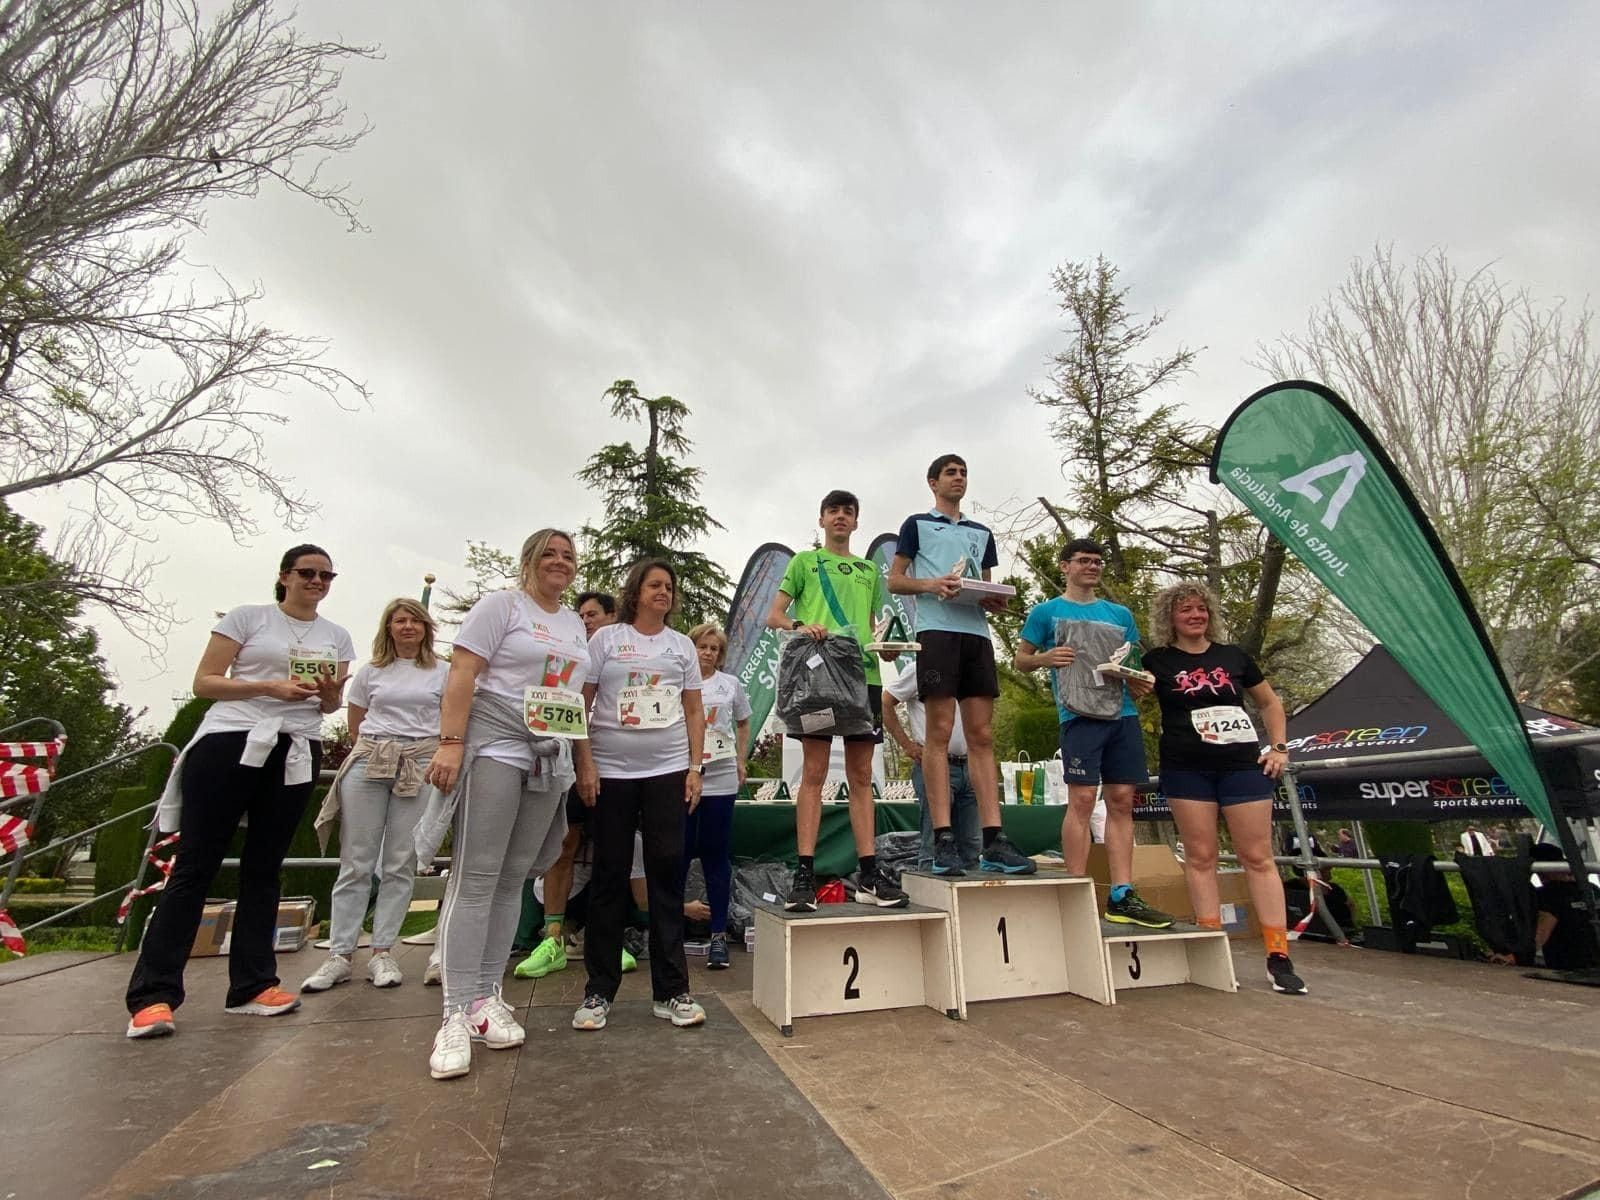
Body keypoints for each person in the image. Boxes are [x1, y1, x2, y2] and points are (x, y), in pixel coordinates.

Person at [125, 545, 354, 1039]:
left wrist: (329, 694)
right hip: (233, 739)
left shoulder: (336, 635)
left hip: (295, 747)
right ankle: (154, 994)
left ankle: (252, 985)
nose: (317, 581)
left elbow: (333, 704)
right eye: (308, 573)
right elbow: (205, 682)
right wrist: (269, 688)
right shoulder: (248, 618)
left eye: (326, 575)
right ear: (285, 576)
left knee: (264, 868)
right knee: (196, 865)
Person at [423, 529, 595, 1080]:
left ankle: (484, 998)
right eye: (550, 553)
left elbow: (571, 695)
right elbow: (463, 673)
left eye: (568, 556)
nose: (560, 562)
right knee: (476, 877)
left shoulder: (573, 623)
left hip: (549, 752)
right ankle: (452, 1012)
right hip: (496, 742)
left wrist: (577, 757)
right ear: (528, 562)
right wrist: (451, 743)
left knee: (512, 878)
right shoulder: (501, 606)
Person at [1141, 579, 1307, 995]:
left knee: (1258, 856)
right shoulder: (1158, 660)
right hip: (1186, 769)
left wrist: (1279, 748)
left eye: (1201, 609)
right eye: (1186, 610)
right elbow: (1135, 697)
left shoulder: (1233, 656)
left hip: (1240, 766)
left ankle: (1278, 955)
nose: (1195, 616)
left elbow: (1270, 703)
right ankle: (1211, 945)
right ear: (1170, 619)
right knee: (1200, 857)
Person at [572, 559, 706, 1032]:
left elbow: (694, 711)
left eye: (669, 586)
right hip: (610, 770)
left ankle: (671, 991)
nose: (663, 593)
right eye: (655, 585)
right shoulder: (606, 640)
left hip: (668, 769)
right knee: (608, 874)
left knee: (666, 873)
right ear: (636, 592)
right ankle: (597, 992)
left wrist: (695, 767)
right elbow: (579, 703)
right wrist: (583, 761)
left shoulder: (681, 645)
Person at [888, 455, 1034, 876]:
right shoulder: (916, 524)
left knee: (982, 735)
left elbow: (983, 583)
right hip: (935, 631)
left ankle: (994, 839)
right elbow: (895, 580)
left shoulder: (981, 533)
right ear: (933, 482)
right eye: (950, 473)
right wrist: (932, 584)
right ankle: (944, 839)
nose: (958, 478)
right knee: (937, 731)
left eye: (963, 472)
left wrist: (993, 600)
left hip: (977, 635)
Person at [1015, 538, 1171, 926]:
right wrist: (1045, 658)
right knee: (1082, 799)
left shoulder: (1119, 614)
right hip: (1077, 714)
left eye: (1098, 561)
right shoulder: (1045, 612)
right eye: (1084, 560)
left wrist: (1141, 681)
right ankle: (1075, 889)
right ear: (1064, 566)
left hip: (1123, 714)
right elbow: (1021, 661)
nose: (1093, 567)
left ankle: (1122, 892)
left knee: (1121, 800)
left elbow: (1131, 666)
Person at [767, 489, 910, 909]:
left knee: (862, 775)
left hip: (861, 677)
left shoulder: (868, 570)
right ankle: (804, 876)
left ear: (856, 521)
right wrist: (800, 624)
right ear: (822, 519)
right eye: (834, 511)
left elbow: (871, 628)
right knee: (812, 773)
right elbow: (774, 615)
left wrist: (887, 648)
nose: (841, 518)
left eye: (848, 512)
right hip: (818, 678)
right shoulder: (804, 562)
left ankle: (868, 875)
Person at [305, 598, 448, 993]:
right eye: (399, 620)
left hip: (418, 763)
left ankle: (383, 950)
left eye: (414, 621)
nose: (407, 627)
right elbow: (356, 724)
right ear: (388, 627)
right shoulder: (371, 671)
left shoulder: (444, 671)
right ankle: (340, 953)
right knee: (356, 860)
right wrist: (382, 753)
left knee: (401, 862)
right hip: (371, 761)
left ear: (426, 628)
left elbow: (452, 719)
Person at [512, 590, 624, 980]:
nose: (585, 620)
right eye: (581, 615)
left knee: (613, 849)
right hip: (571, 761)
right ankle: (553, 937)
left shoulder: (628, 652)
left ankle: (606, 936)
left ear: (613, 616)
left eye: (593, 614)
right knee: (563, 845)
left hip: (617, 764)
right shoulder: (569, 653)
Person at [684, 622, 751, 967]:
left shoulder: (730, 685)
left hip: (721, 776)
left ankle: (719, 935)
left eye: (714, 648)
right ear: (691, 648)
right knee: (678, 852)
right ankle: (669, 930)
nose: (708, 653)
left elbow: (742, 722)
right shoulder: (679, 681)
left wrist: (741, 760)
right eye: (702, 646)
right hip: (685, 776)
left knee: (716, 854)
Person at [883, 666, 979, 870]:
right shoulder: (918, 667)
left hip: (968, 764)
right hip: (936, 763)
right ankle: (930, 887)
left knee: (971, 843)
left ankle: (971, 891)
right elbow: (885, 702)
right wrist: (907, 745)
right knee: (934, 842)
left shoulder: (967, 665)